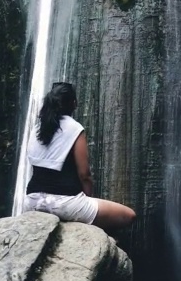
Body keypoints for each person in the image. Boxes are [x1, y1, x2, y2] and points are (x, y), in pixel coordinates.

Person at [23, 81, 136, 233]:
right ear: (74, 103)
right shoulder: (75, 128)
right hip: (64, 204)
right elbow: (85, 175)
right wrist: (87, 198)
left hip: (32, 202)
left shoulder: (37, 129)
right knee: (129, 215)